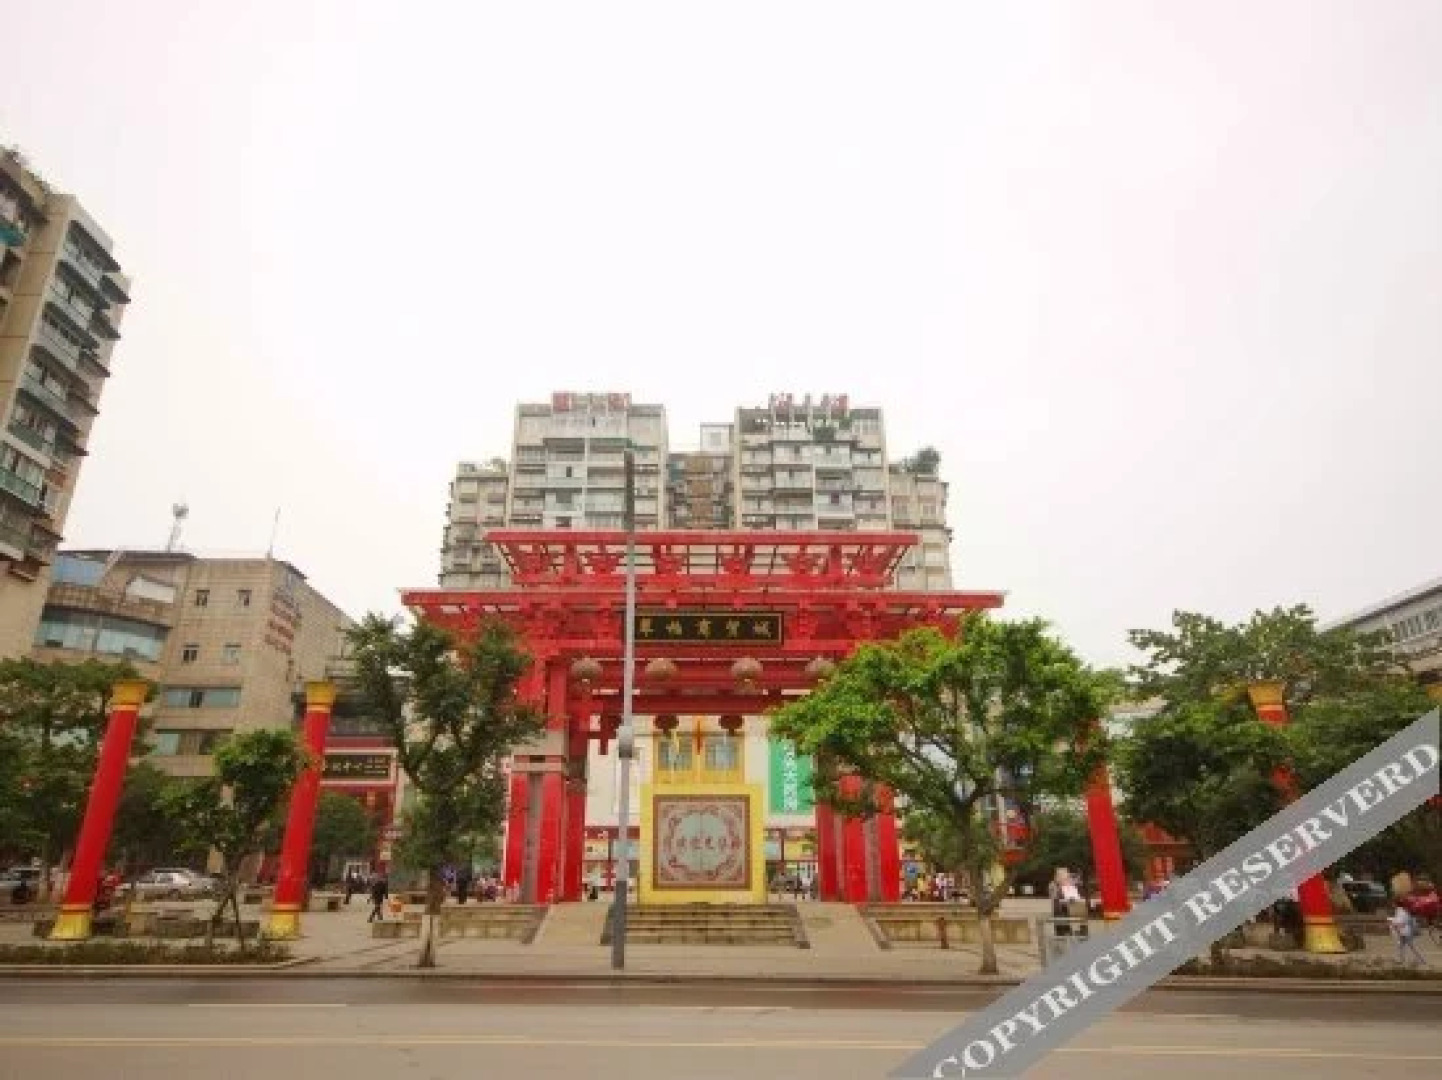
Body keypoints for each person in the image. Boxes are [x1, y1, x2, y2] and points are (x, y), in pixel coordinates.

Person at [1389, 898, 1428, 967]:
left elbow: (1401, 922)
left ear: (1396, 904)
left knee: (1411, 947)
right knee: (1401, 946)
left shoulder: (1400, 911)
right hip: (1404, 932)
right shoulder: (1401, 911)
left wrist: (1391, 920)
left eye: (1393, 904)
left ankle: (1422, 960)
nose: (1392, 905)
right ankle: (1402, 960)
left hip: (1405, 932)